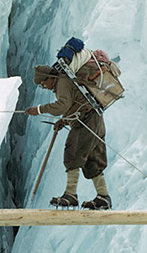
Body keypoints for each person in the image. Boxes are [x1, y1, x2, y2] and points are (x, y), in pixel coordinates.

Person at [24, 64, 111, 210]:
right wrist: (64, 120)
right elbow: (76, 103)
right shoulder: (66, 82)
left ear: (50, 78)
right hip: (95, 121)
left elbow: (62, 105)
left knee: (73, 154)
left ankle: (71, 195)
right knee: (93, 161)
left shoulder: (62, 82)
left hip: (86, 122)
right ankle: (103, 197)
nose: (44, 87)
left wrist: (38, 110)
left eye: (42, 83)